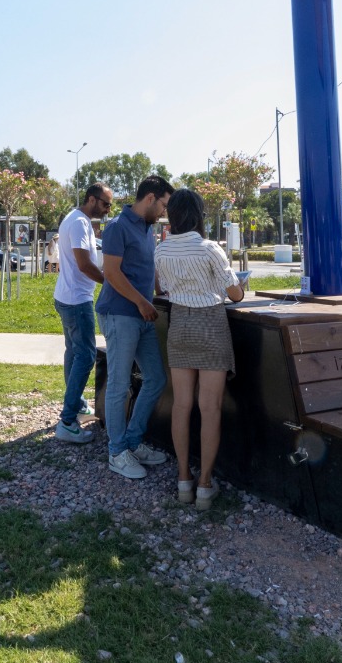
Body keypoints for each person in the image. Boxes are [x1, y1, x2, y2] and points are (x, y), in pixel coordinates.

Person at [155, 188, 244, 510]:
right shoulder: (210, 248)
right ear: (198, 215)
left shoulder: (161, 249)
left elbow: (161, 288)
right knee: (210, 409)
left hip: (179, 325)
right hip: (211, 328)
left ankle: (183, 479)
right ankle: (205, 485)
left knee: (181, 405)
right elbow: (235, 294)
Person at [97, 174, 174, 480]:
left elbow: (148, 265)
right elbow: (111, 273)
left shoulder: (146, 228)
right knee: (119, 385)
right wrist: (142, 303)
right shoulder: (117, 226)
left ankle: (131, 442)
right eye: (164, 205)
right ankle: (117, 452)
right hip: (120, 314)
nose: (165, 212)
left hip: (142, 316)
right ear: (150, 198)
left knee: (155, 378)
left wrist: (159, 290)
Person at [51, 183, 113, 444]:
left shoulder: (75, 219)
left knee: (74, 352)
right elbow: (84, 264)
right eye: (106, 204)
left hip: (66, 296)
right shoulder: (78, 223)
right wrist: (110, 283)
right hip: (77, 300)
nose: (108, 209)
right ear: (91, 199)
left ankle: (76, 405)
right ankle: (67, 422)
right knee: (86, 356)